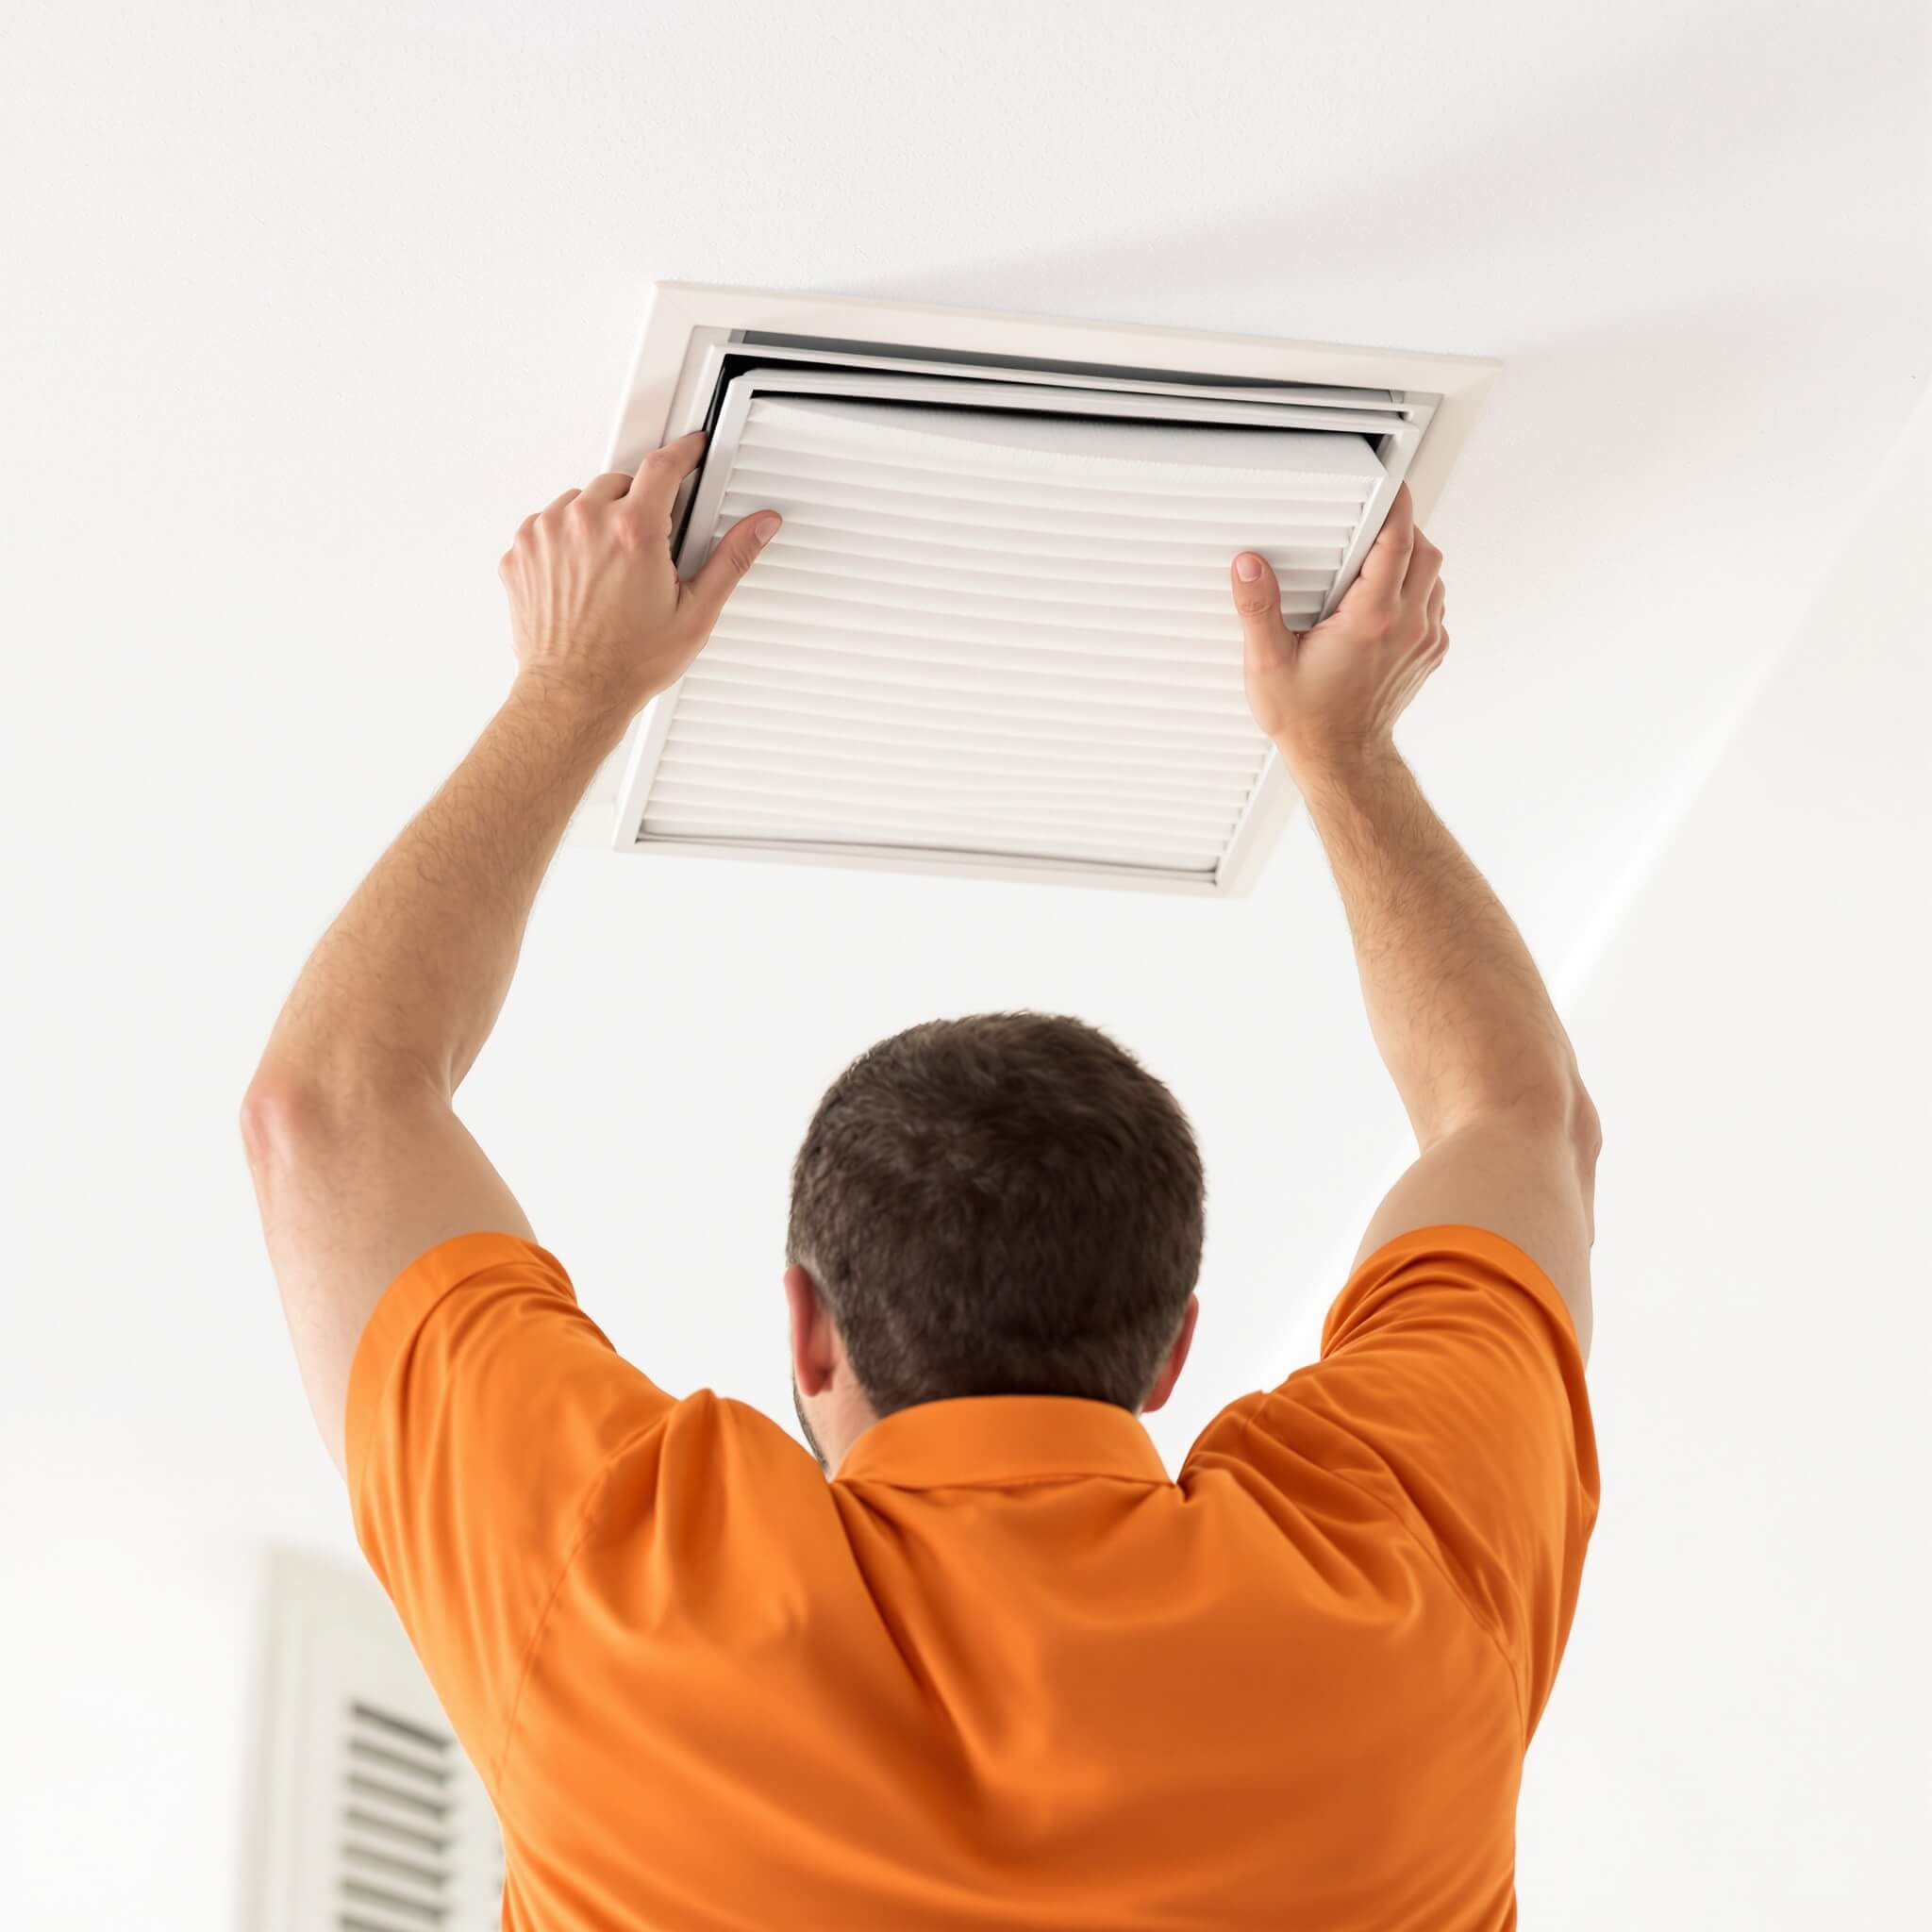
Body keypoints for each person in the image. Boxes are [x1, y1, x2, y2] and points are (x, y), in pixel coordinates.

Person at [241, 433, 1600, 1929]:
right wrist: (1350, 759)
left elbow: (331, 1112)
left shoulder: (629, 1608)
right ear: (1171, 1347)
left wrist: (571, 689)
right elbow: (1516, 1122)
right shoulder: (1393, 1595)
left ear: (813, 1330)